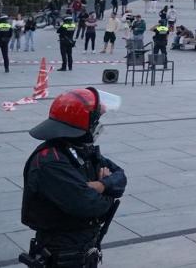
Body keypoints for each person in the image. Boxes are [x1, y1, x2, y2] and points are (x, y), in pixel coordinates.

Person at [20, 87, 126, 268]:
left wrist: (100, 186)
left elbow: (120, 177)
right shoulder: (51, 161)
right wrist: (107, 192)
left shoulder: (80, 150)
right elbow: (90, 205)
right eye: (96, 120)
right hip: (63, 249)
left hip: (83, 245)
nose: (97, 126)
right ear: (82, 124)